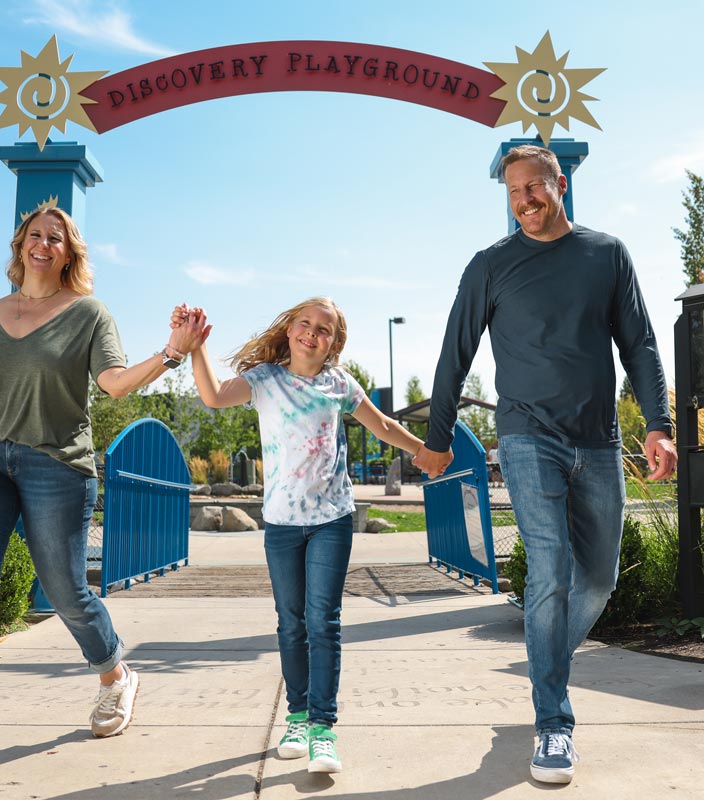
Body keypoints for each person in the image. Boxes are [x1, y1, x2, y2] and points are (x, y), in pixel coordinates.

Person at [413, 145, 677, 785]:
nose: (525, 199)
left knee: (600, 579)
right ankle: (553, 725)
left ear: (560, 184)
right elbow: (454, 354)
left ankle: (544, 663)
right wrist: (440, 437)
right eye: (513, 192)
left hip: (599, 439)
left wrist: (659, 424)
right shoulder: (490, 267)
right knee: (551, 569)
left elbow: (639, 344)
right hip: (528, 435)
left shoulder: (606, 254)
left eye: (535, 186)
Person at [0, 206, 191, 795]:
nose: (43, 244)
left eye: (55, 238)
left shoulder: (88, 314)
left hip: (56, 463)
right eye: (35, 235)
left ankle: (115, 672)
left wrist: (170, 353)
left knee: (66, 589)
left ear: (69, 254)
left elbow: (113, 384)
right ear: (20, 245)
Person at [171, 297, 425, 774]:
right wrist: (196, 347)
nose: (312, 333)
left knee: (322, 621)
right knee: (291, 623)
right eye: (304, 324)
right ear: (289, 331)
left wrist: (424, 452)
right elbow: (213, 396)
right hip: (282, 524)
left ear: (334, 342)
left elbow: (386, 425)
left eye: (324, 329)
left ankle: (323, 731)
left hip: (332, 519)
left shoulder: (340, 384)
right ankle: (298, 716)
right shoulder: (266, 380)